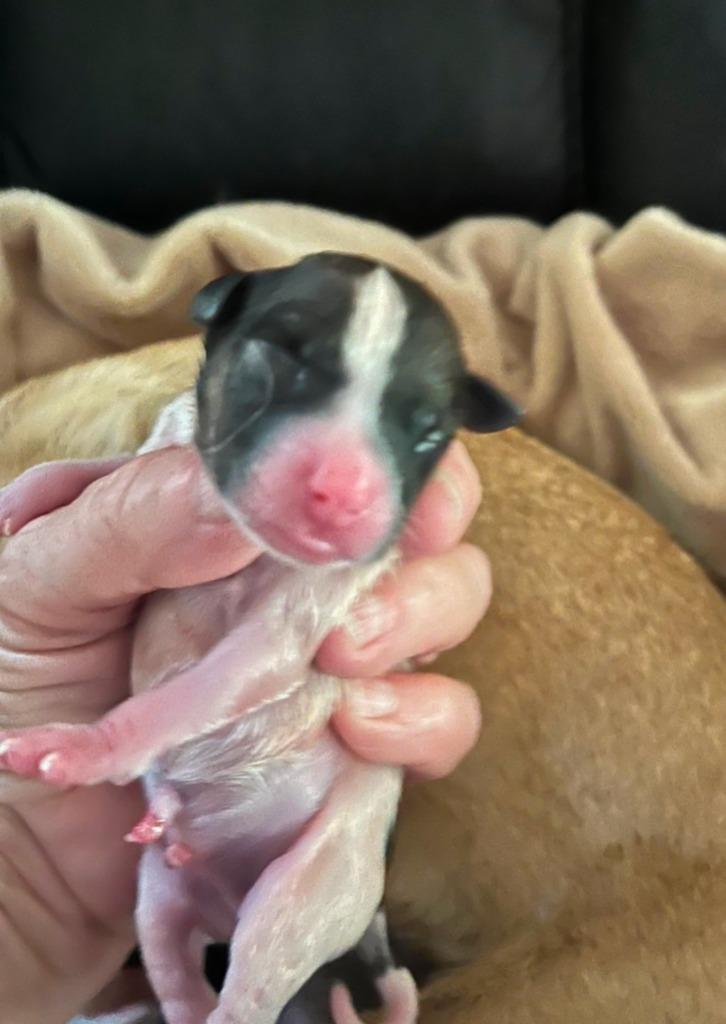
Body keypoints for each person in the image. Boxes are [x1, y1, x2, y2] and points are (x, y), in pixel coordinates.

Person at [0, 438, 490, 1024]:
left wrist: (110, 745)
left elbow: (276, 650)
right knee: (181, 974)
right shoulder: (212, 446)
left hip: (300, 829)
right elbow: (150, 472)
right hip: (161, 835)